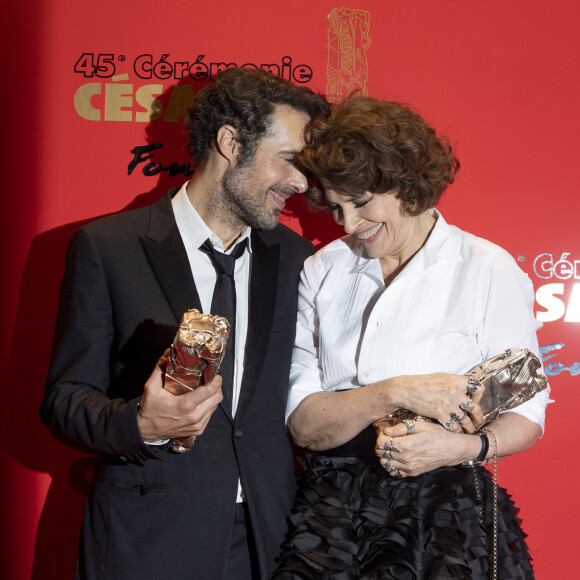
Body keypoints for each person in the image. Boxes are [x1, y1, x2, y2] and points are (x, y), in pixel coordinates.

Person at [40, 67, 329, 580]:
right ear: (229, 142)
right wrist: (141, 425)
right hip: (149, 538)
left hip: (268, 541)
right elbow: (66, 398)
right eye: (288, 160)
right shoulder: (108, 247)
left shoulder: (297, 259)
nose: (301, 183)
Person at [272, 96, 549, 579]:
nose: (349, 226)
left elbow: (527, 411)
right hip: (332, 518)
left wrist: (462, 448)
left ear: (406, 181)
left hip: (445, 518)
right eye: (337, 208)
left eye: (361, 203)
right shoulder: (322, 270)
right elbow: (304, 425)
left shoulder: (484, 267)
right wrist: (393, 393)